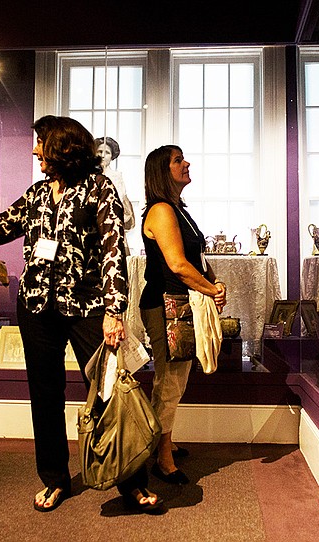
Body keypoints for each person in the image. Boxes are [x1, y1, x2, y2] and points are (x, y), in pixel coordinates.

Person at [0, 115, 163, 514]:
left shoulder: (100, 190)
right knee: (44, 396)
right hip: (36, 307)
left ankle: (131, 481)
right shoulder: (35, 194)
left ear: (62, 147)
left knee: (108, 392)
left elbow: (113, 252)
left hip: (87, 308)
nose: (35, 150)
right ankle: (55, 479)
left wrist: (115, 310)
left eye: (41, 143)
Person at [139, 145, 227, 484]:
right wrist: (211, 289)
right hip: (165, 304)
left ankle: (165, 441)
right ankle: (161, 457)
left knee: (176, 379)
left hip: (179, 303)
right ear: (163, 171)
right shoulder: (162, 210)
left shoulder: (179, 209)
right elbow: (176, 265)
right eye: (178, 160)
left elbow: (197, 260)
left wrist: (215, 284)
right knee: (169, 381)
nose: (186, 162)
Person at [96, 136, 135, 232]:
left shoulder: (116, 177)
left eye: (107, 153)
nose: (103, 155)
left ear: (112, 156)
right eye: (100, 151)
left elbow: (121, 201)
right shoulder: (89, 175)